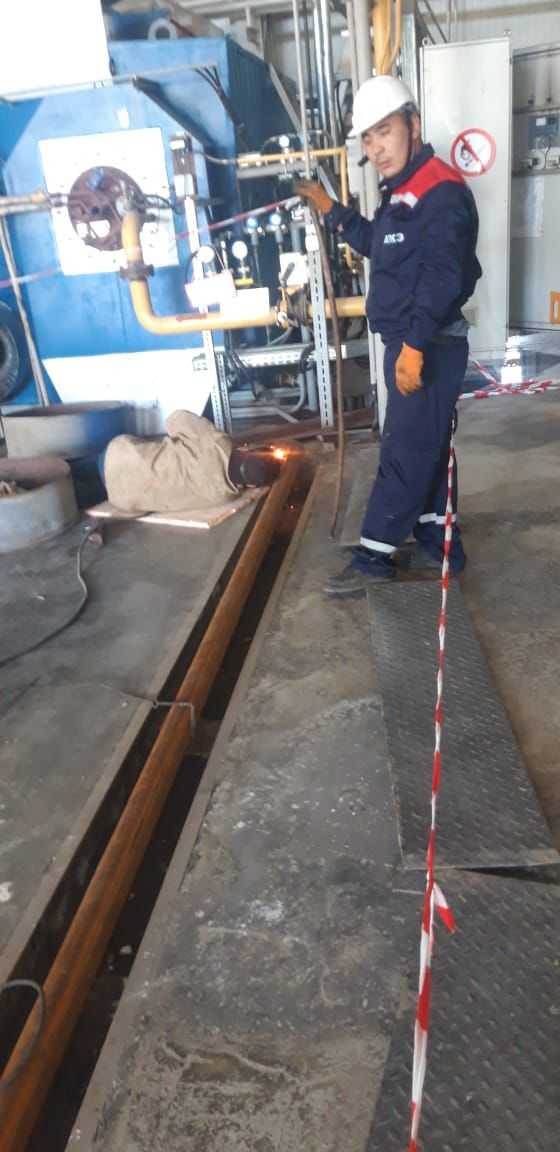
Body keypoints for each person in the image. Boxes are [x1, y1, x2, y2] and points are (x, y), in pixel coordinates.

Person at [297, 75, 482, 596]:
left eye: (385, 131)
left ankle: (374, 556)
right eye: (368, 137)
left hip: (427, 345)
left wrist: (415, 347)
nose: (376, 147)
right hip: (412, 343)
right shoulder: (402, 191)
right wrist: (331, 211)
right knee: (428, 446)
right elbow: (381, 243)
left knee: (405, 450)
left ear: (413, 126)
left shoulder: (439, 191)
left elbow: (444, 276)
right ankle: (440, 543)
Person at [101, 410, 283, 515]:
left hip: (117, 457)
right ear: (250, 485)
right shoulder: (225, 496)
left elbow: (174, 419)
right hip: (123, 499)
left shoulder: (217, 442)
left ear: (246, 450)